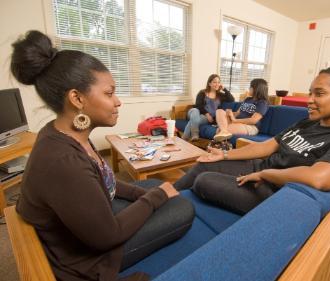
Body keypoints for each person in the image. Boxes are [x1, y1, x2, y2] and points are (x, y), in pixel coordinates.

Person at [10, 30, 194, 281]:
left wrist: (151, 194)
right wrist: (157, 198)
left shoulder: (65, 133)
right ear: (77, 98)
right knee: (182, 207)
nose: (118, 101)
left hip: (81, 223)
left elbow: (102, 178)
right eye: (109, 93)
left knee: (151, 185)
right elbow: (108, 236)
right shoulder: (63, 161)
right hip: (84, 255)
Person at [174, 65, 330, 215]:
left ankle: (163, 203)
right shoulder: (307, 123)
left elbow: (318, 178)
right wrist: (225, 154)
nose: (310, 99)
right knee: (203, 165)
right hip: (261, 168)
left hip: (272, 190)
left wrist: (267, 174)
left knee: (204, 181)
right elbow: (268, 146)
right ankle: (161, 198)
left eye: (319, 93)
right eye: (310, 92)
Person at [182, 74, 234, 141]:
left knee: (195, 120)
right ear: (209, 83)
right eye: (214, 82)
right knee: (195, 111)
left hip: (204, 118)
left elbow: (231, 99)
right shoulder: (202, 92)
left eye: (218, 82)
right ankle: (195, 134)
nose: (217, 84)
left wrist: (224, 89)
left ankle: (184, 138)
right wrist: (207, 114)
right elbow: (198, 105)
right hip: (195, 112)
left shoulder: (220, 95)